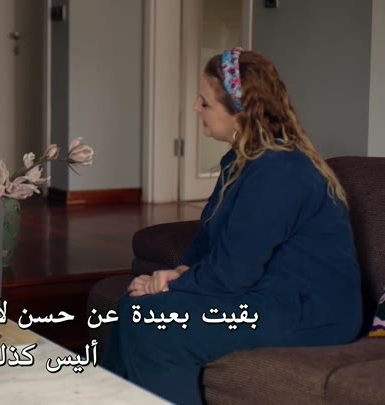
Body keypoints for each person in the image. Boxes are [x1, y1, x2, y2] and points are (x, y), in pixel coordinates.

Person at [103, 48, 363, 404]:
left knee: (151, 322)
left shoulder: (280, 171)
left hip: (308, 311)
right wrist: (174, 275)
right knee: (133, 306)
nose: (196, 107)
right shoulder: (241, 162)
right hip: (265, 294)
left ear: (240, 115)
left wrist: (171, 283)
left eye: (205, 102)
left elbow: (231, 274)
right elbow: (208, 244)